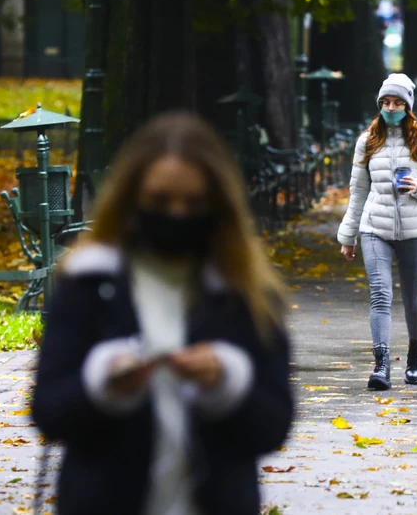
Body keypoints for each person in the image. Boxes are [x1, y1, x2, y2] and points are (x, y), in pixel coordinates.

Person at [32, 112, 293, 515]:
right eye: (159, 201)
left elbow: (274, 423)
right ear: (131, 197)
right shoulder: (89, 282)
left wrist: (226, 379)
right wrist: (104, 383)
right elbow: (49, 411)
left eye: (192, 203)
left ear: (216, 204)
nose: (176, 215)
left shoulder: (245, 292)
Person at [338, 73, 417, 390]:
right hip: (375, 228)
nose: (390, 108)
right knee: (381, 296)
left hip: (415, 231)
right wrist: (348, 236)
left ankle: (415, 355)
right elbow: (357, 192)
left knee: (413, 299)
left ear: (408, 106)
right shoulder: (367, 141)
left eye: (397, 103)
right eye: (385, 102)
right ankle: (381, 364)